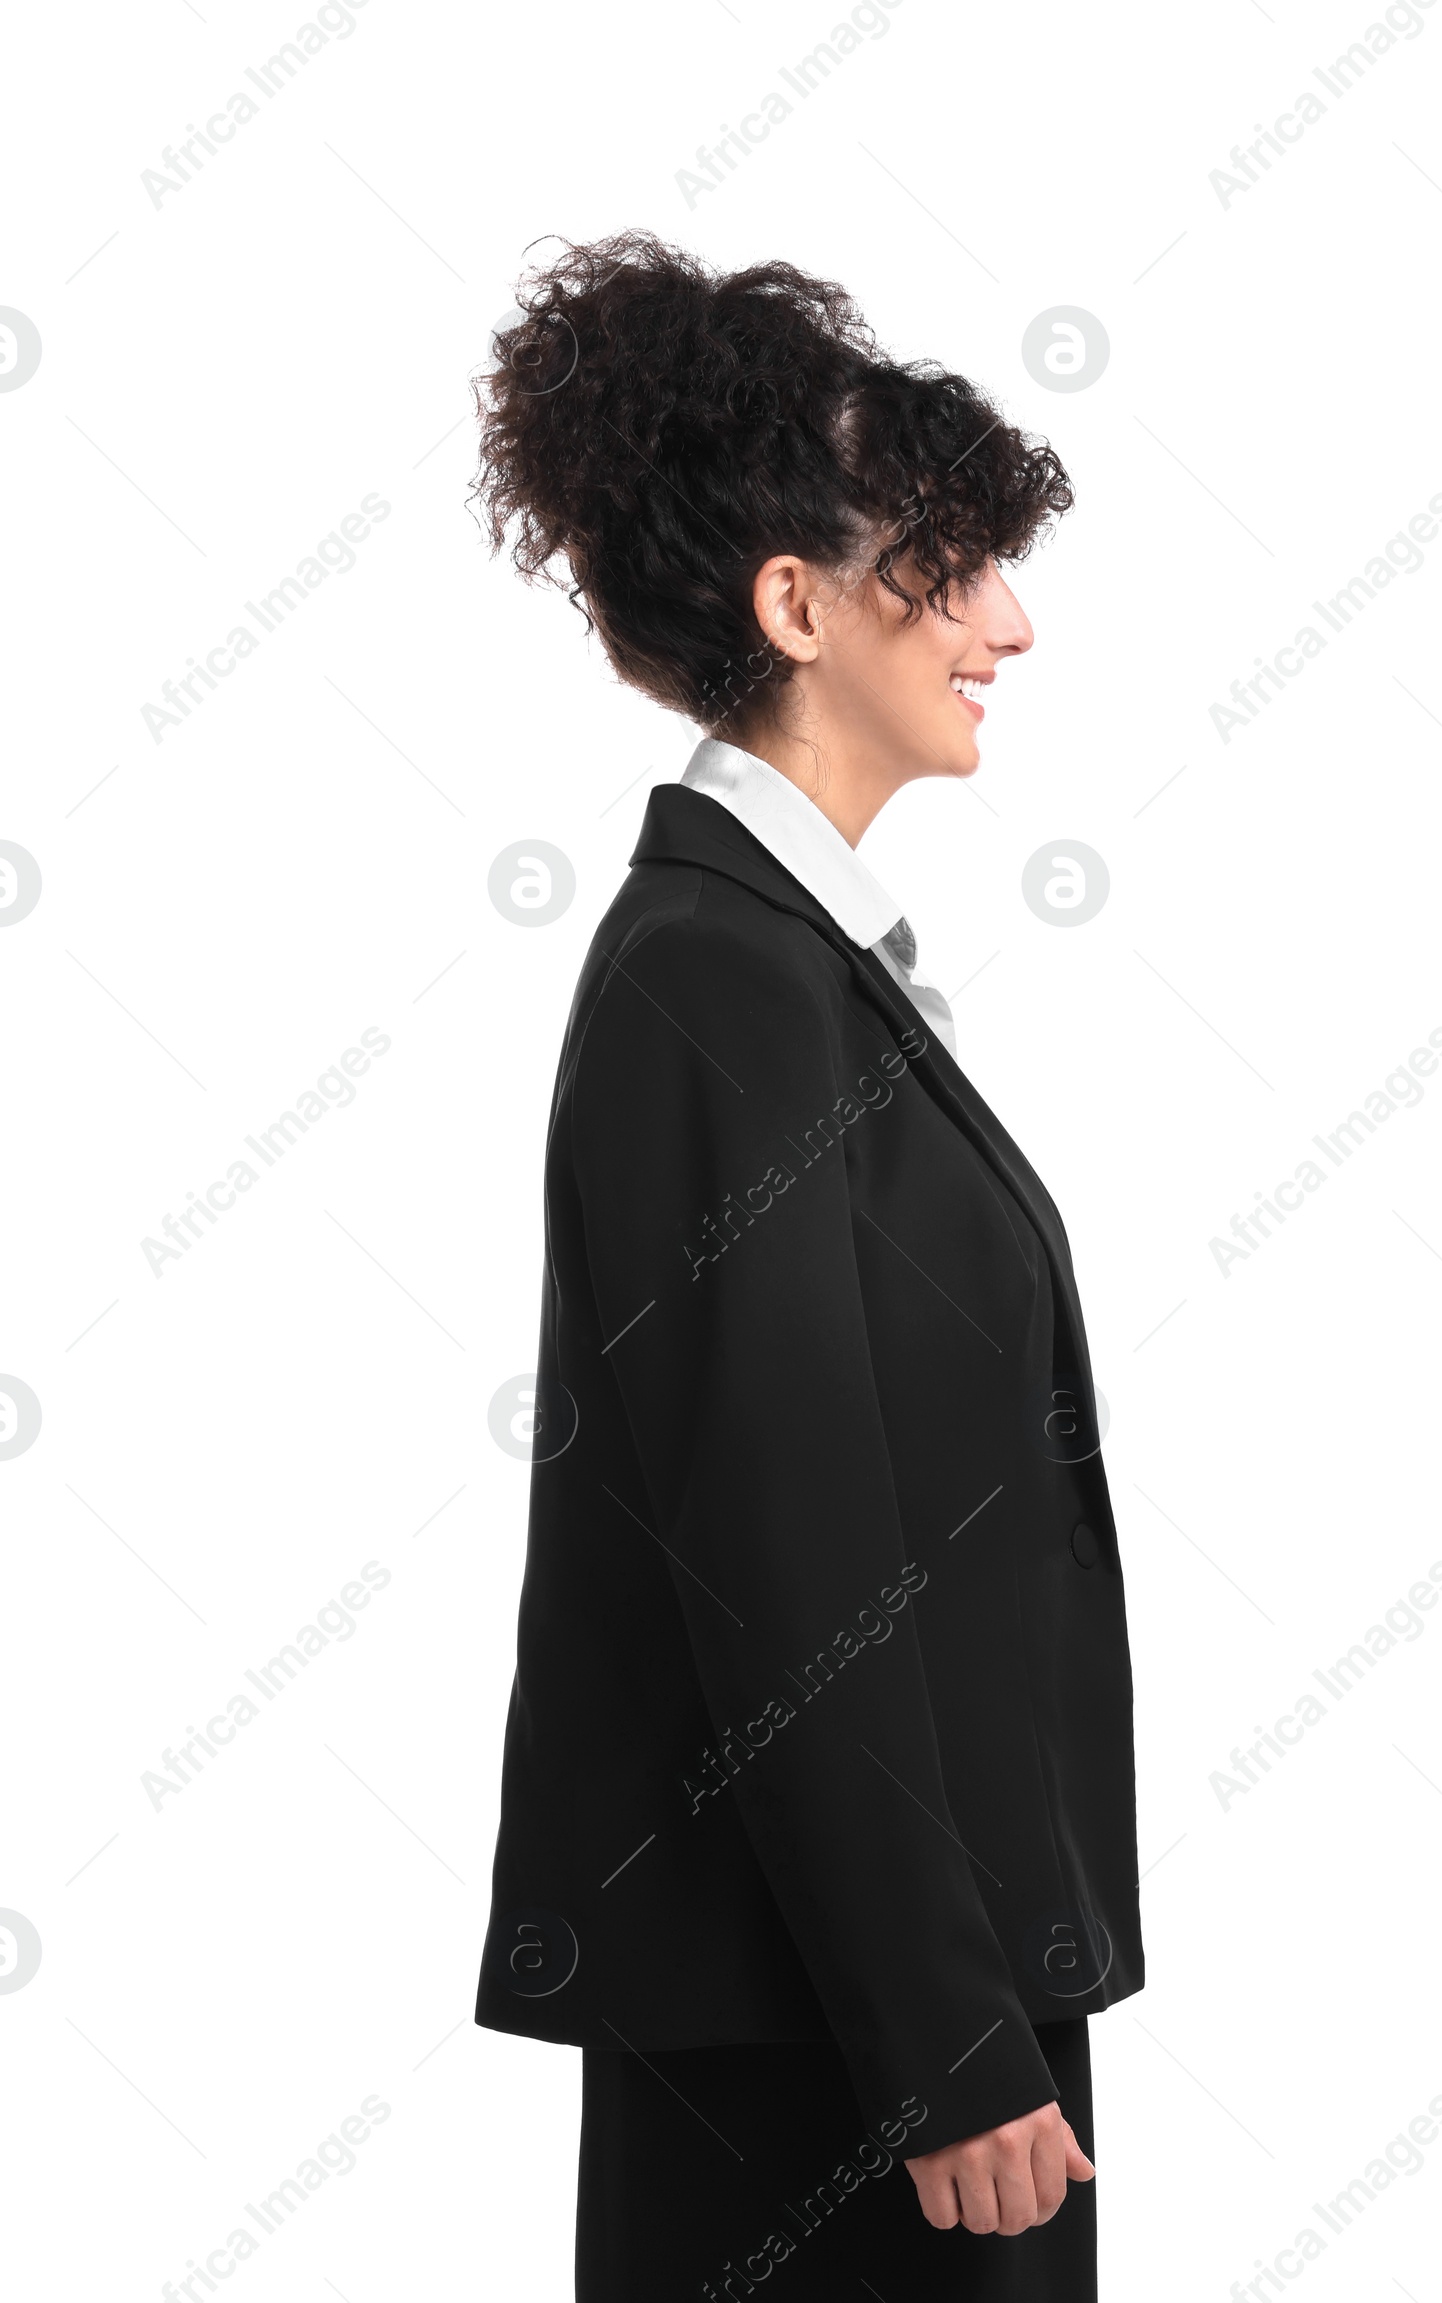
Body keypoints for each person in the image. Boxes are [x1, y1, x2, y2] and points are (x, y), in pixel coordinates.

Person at [470, 231, 1143, 2301]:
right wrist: (943, 2045)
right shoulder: (711, 983)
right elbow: (782, 1557)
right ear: (794, 604)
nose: (1006, 624)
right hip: (836, 2053)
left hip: (867, 2005)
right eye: (948, 566)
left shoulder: (774, 967)